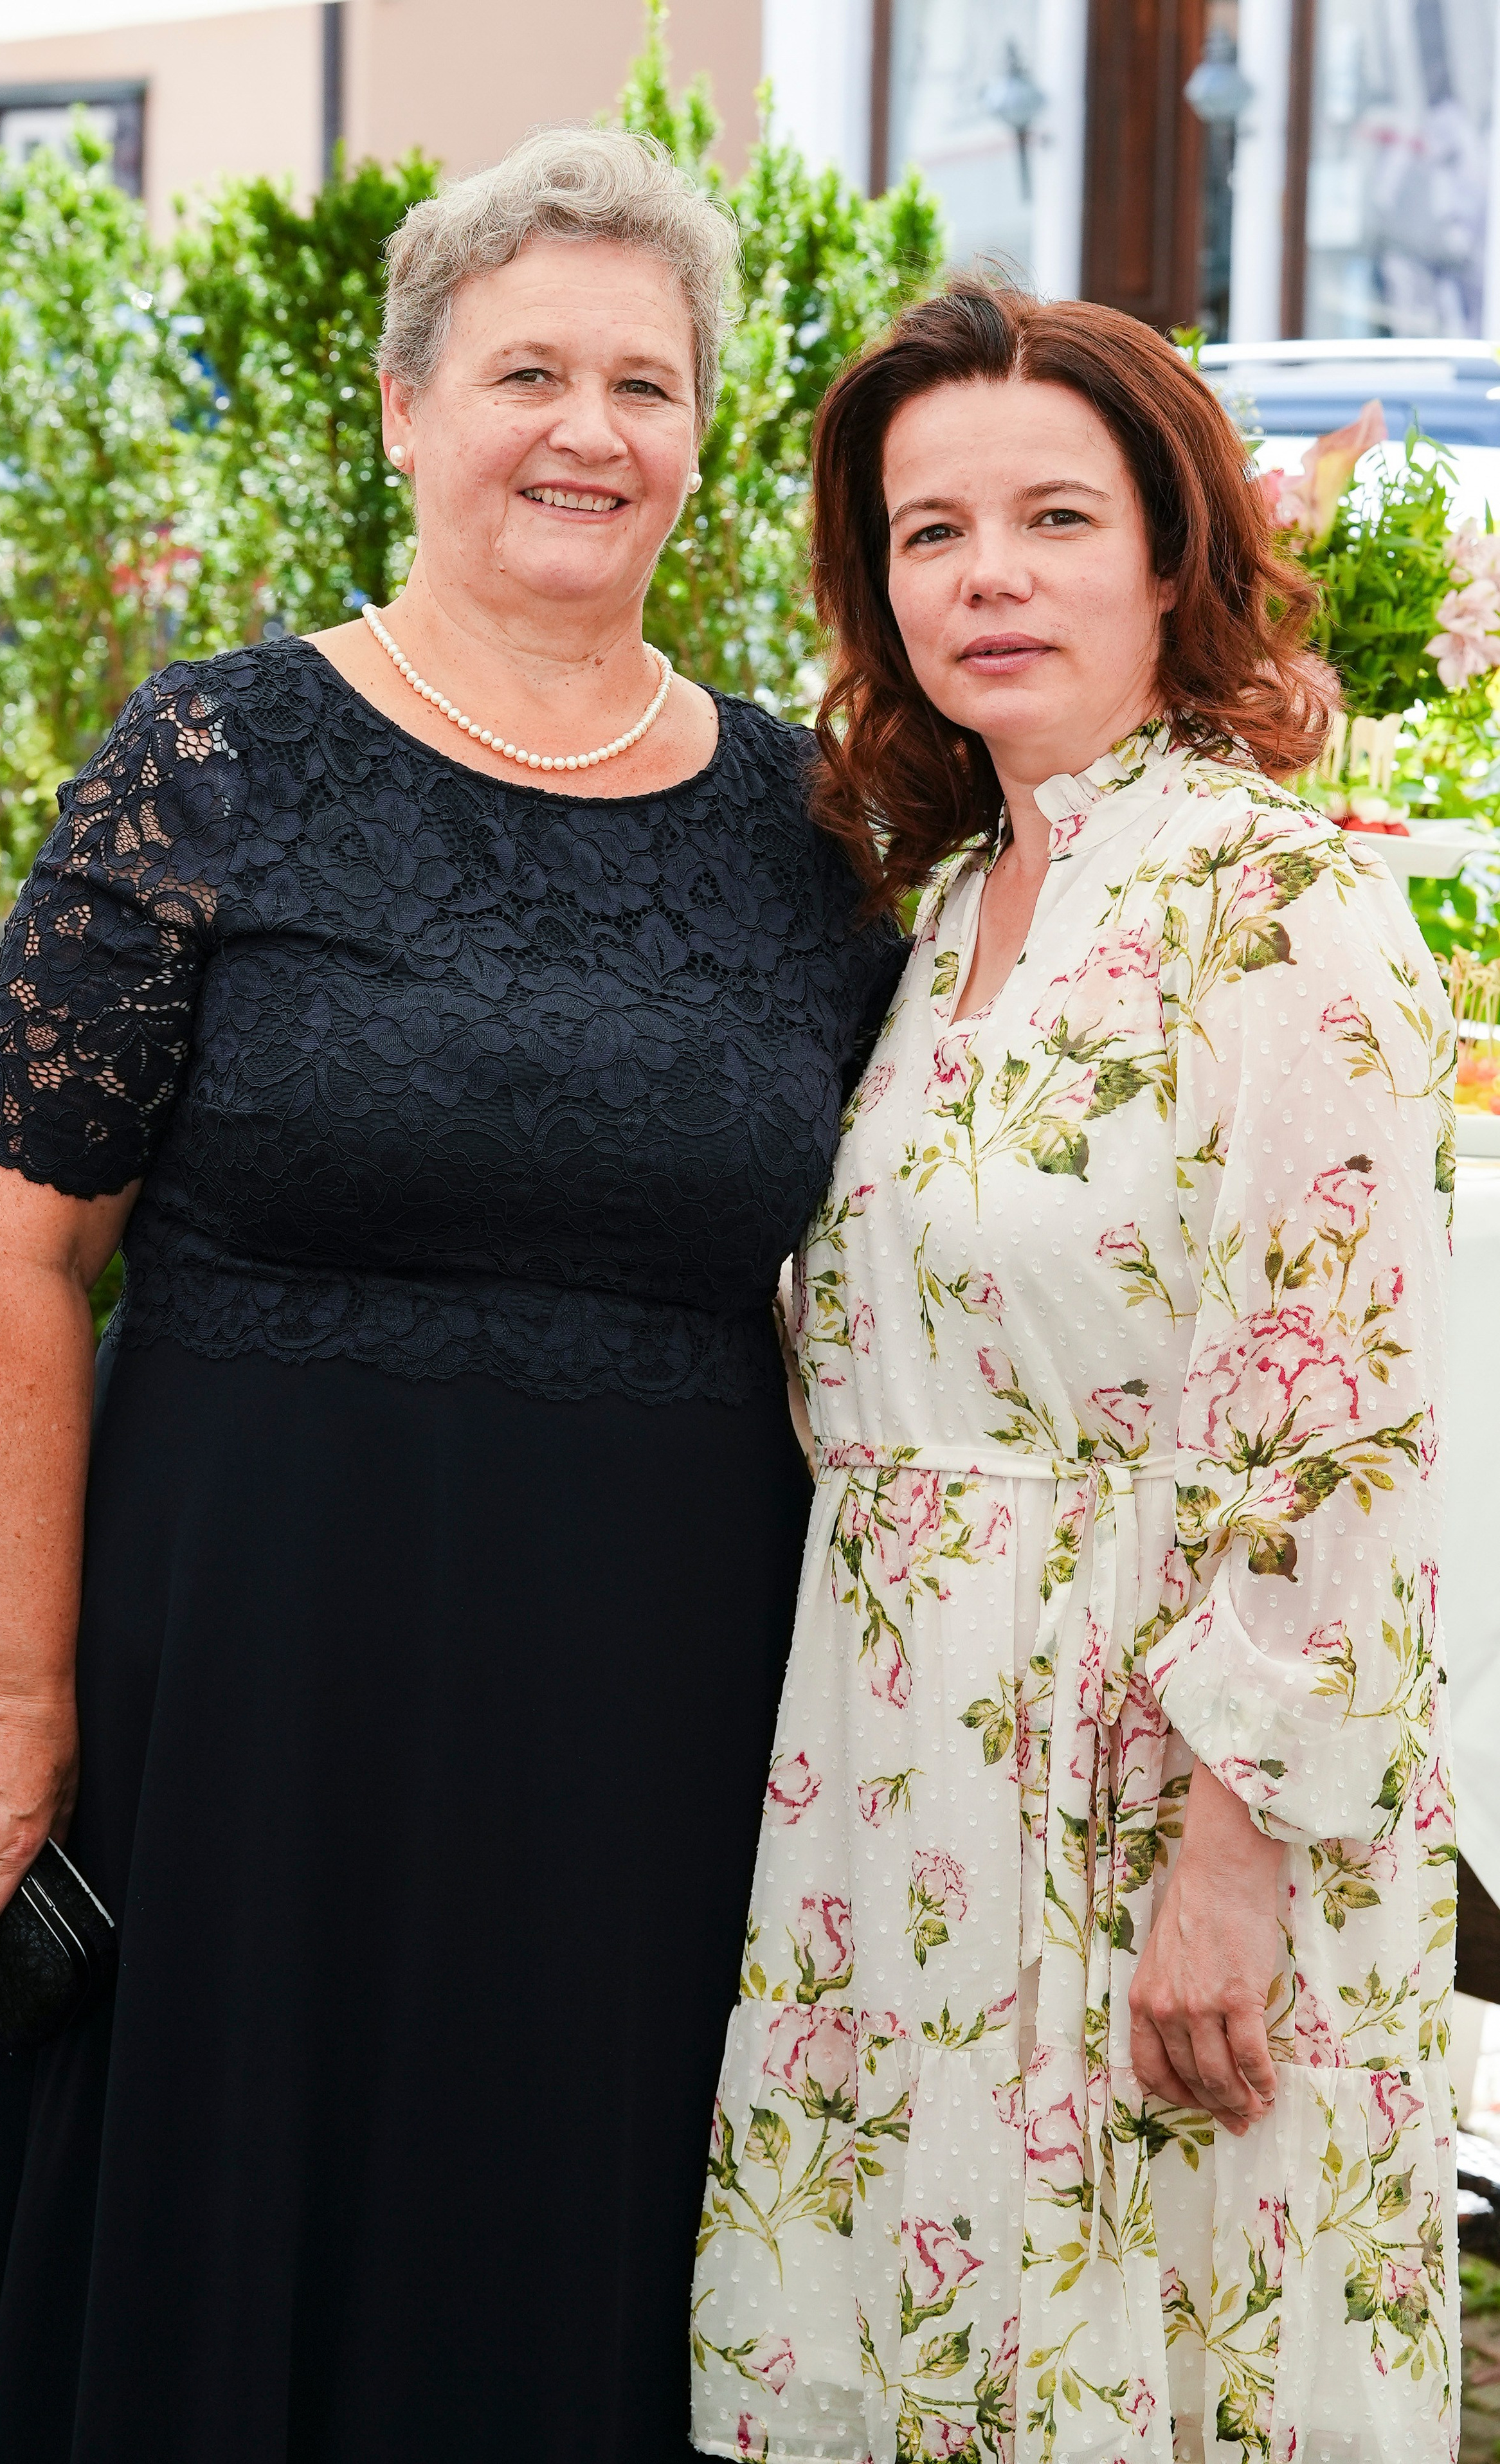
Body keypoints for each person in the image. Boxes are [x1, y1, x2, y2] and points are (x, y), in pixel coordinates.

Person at [0, 130, 903, 2464]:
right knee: (225, 2227)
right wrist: (13, 1691)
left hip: (654, 1686)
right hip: (249, 1667)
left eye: (646, 382)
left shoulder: (815, 826)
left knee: (577, 2216)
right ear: (402, 408)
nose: (587, 429)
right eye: (526, 367)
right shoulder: (213, 758)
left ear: (701, 438)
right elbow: (20, 1247)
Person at [691, 280, 1456, 2464]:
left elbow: (1347, 1418)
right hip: (904, 1766)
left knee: (1149, 2345)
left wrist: (1238, 1850)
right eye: (931, 533)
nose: (988, 576)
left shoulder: (1279, 905)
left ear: (1170, 556)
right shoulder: (945, 912)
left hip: (1163, 1779)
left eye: (1051, 516)